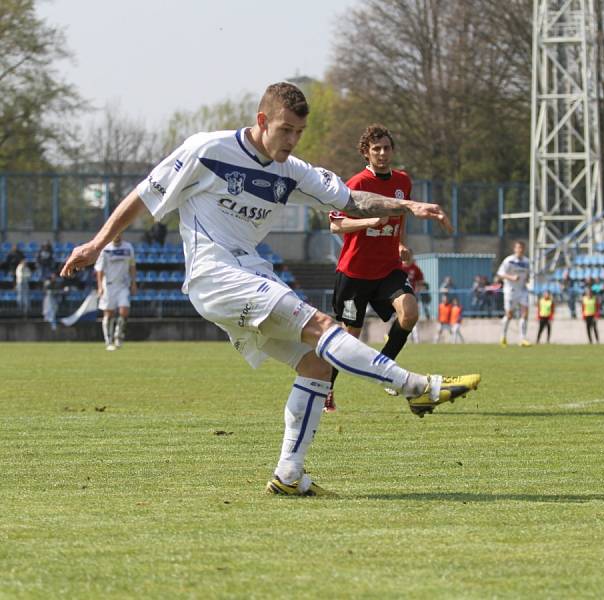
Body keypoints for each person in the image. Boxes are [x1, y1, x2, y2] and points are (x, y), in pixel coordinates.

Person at [60, 82, 479, 496]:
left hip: (251, 273)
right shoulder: (208, 149)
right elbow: (144, 194)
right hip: (214, 274)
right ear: (262, 121)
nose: (293, 140)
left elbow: (353, 200)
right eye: (285, 130)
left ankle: (289, 475)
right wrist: (97, 244)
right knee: (321, 326)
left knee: (316, 365)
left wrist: (408, 205)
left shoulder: (292, 170)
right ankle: (417, 387)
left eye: (299, 132)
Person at [327, 124, 419, 411]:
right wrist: (368, 221)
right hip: (355, 273)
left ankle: (387, 369)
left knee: (410, 312)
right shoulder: (355, 184)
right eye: (376, 148)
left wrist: (401, 243)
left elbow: (401, 215)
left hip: (388, 268)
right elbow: (335, 224)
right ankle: (326, 390)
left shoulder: (403, 181)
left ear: (392, 150)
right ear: (366, 153)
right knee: (349, 339)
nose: (382, 153)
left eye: (386, 148)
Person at [95, 234, 137, 351]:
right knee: (109, 314)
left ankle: (118, 337)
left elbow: (132, 266)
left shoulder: (128, 247)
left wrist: (133, 282)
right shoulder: (105, 249)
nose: (117, 235)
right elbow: (99, 270)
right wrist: (100, 287)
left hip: (123, 285)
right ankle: (108, 341)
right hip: (108, 286)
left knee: (124, 310)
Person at [497, 240, 531, 347]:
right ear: (514, 249)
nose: (520, 250)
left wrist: (528, 281)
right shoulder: (509, 261)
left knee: (525, 313)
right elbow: (500, 273)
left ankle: (522, 339)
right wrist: (511, 277)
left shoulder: (527, 262)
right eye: (518, 248)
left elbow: (528, 275)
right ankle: (503, 337)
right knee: (509, 315)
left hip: (522, 290)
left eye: (522, 248)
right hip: (510, 290)